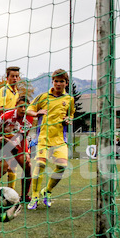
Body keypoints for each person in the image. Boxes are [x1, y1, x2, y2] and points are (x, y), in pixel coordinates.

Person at [26, 69, 75, 210]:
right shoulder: (42, 97)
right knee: (40, 165)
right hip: (43, 138)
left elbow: (70, 115)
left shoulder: (69, 100)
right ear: (52, 82)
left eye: (61, 81)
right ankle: (35, 197)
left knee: (62, 167)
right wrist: (36, 113)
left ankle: (46, 191)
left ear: (66, 83)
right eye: (56, 81)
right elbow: (29, 109)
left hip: (59, 139)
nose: (58, 84)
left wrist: (68, 120)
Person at [0, 96, 33, 203]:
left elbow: (24, 136)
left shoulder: (29, 119)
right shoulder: (6, 116)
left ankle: (24, 196)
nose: (23, 109)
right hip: (3, 144)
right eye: (21, 106)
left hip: (18, 145)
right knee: (2, 169)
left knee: (27, 165)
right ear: (16, 106)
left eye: (26, 107)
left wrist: (26, 152)